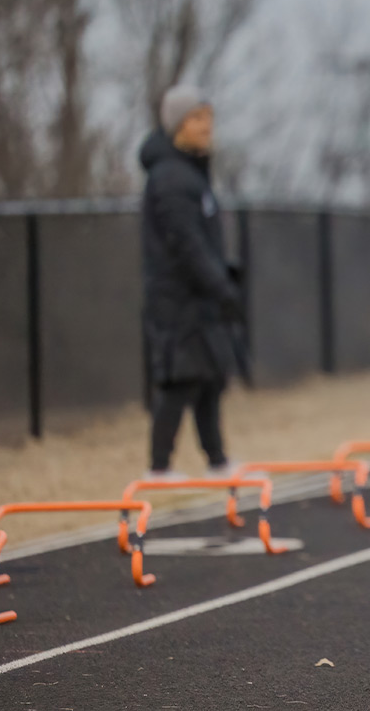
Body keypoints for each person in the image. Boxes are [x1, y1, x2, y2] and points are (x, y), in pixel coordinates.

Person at [139, 85, 242, 480]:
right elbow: (185, 243)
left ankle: (217, 460)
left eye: (208, 118)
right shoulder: (169, 178)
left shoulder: (192, 173)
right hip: (177, 297)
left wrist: (222, 279)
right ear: (177, 124)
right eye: (197, 118)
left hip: (202, 297)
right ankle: (159, 467)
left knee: (211, 377)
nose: (206, 127)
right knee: (180, 380)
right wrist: (218, 285)